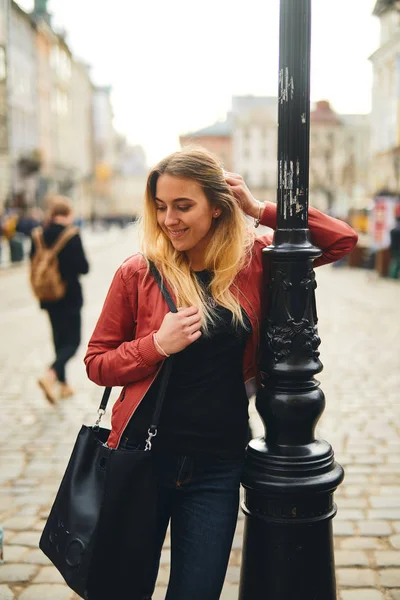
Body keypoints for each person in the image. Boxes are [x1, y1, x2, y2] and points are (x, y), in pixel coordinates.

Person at [84, 147, 358, 600]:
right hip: (141, 460)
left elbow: (340, 240)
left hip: (217, 466)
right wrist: (155, 346)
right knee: (120, 590)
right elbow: (97, 362)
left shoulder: (254, 262)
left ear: (217, 205)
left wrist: (258, 208)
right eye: (160, 207)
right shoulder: (138, 273)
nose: (169, 219)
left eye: (183, 205)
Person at [32, 196, 89, 404]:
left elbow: (33, 261)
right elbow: (83, 267)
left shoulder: (38, 235)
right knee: (73, 342)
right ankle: (51, 375)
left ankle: (63, 386)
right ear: (67, 214)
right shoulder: (71, 235)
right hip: (70, 297)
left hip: (48, 297)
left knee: (58, 340)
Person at [389, 214, 400, 279]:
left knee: (394, 261)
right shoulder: (398, 231)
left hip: (393, 248)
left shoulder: (392, 230)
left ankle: (392, 274)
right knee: (397, 262)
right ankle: (394, 275)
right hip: (398, 249)